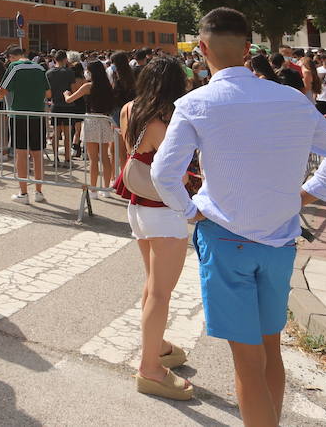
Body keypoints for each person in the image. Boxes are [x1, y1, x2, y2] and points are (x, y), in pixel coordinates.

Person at [152, 8, 326, 427]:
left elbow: (162, 172)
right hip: (280, 240)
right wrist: (307, 195)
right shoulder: (290, 99)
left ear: (202, 47)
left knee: (246, 361)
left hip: (225, 238)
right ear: (249, 49)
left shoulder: (195, 103)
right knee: (270, 351)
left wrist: (190, 209)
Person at [116, 56, 194, 400]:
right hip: (163, 211)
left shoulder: (129, 109)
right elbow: (172, 173)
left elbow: (129, 152)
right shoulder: (166, 121)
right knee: (161, 292)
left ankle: (157, 346)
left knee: (152, 285)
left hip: (137, 205)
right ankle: (150, 368)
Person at [0, 45, 50, 203]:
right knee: (37, 154)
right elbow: (48, 92)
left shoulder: (14, 67)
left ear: (10, 57)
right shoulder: (39, 68)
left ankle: (23, 194)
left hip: (18, 115)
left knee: (21, 154)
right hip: (38, 115)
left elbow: (2, 91)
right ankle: (39, 192)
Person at [68, 59, 116, 196]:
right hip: (104, 120)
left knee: (93, 159)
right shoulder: (109, 86)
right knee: (105, 157)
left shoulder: (88, 86)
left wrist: (65, 94)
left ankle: (93, 189)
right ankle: (106, 189)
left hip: (91, 121)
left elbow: (70, 99)